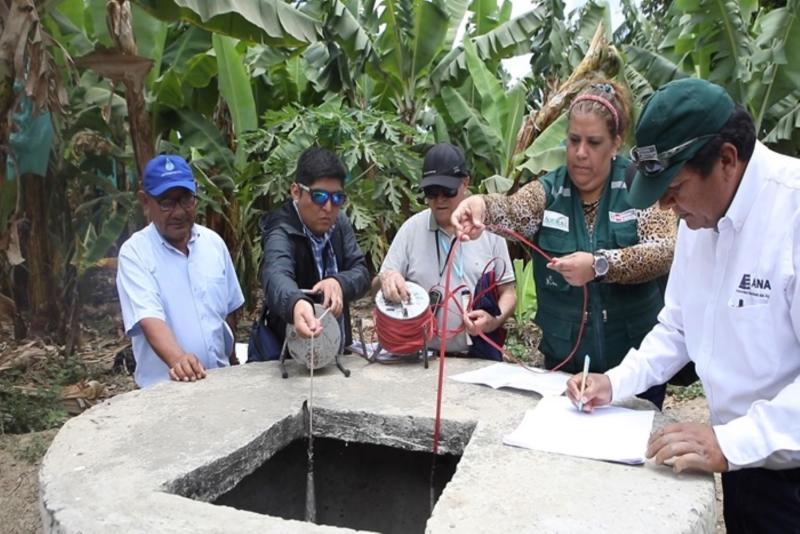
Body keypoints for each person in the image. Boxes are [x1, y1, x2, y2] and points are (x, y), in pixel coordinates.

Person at [565, 77, 800, 533]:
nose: (669, 207)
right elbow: (678, 327)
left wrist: (732, 441)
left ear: (727, 161)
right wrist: (614, 382)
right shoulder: (699, 218)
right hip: (742, 466)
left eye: (675, 189)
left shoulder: (791, 213)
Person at [452, 80, 677, 407]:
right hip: (565, 367)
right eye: (573, 140)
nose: (580, 153)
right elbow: (515, 212)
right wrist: (481, 207)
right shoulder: (549, 191)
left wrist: (600, 265)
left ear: (615, 144)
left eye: (593, 142)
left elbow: (663, 249)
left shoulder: (638, 188)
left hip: (634, 368)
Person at [116, 155, 244, 388]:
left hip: (220, 386)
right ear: (146, 202)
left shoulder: (213, 244)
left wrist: (233, 363)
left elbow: (228, 313)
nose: (179, 212)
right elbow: (149, 319)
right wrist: (179, 360)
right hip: (166, 394)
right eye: (167, 203)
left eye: (186, 200)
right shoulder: (135, 254)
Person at [378, 143, 516, 359]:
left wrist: (493, 322)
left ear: (465, 183)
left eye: (448, 191)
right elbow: (378, 283)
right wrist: (388, 277)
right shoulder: (412, 229)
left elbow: (508, 291)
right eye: (432, 193)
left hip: (477, 356)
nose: (440, 199)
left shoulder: (488, 230)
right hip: (422, 357)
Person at [253, 146, 369, 358]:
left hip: (335, 350)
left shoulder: (340, 223)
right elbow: (275, 274)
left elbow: (360, 271)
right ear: (296, 192)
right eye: (319, 196)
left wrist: (338, 283)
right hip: (286, 355)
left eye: (336, 199)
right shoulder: (281, 229)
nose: (328, 207)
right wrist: (296, 304)